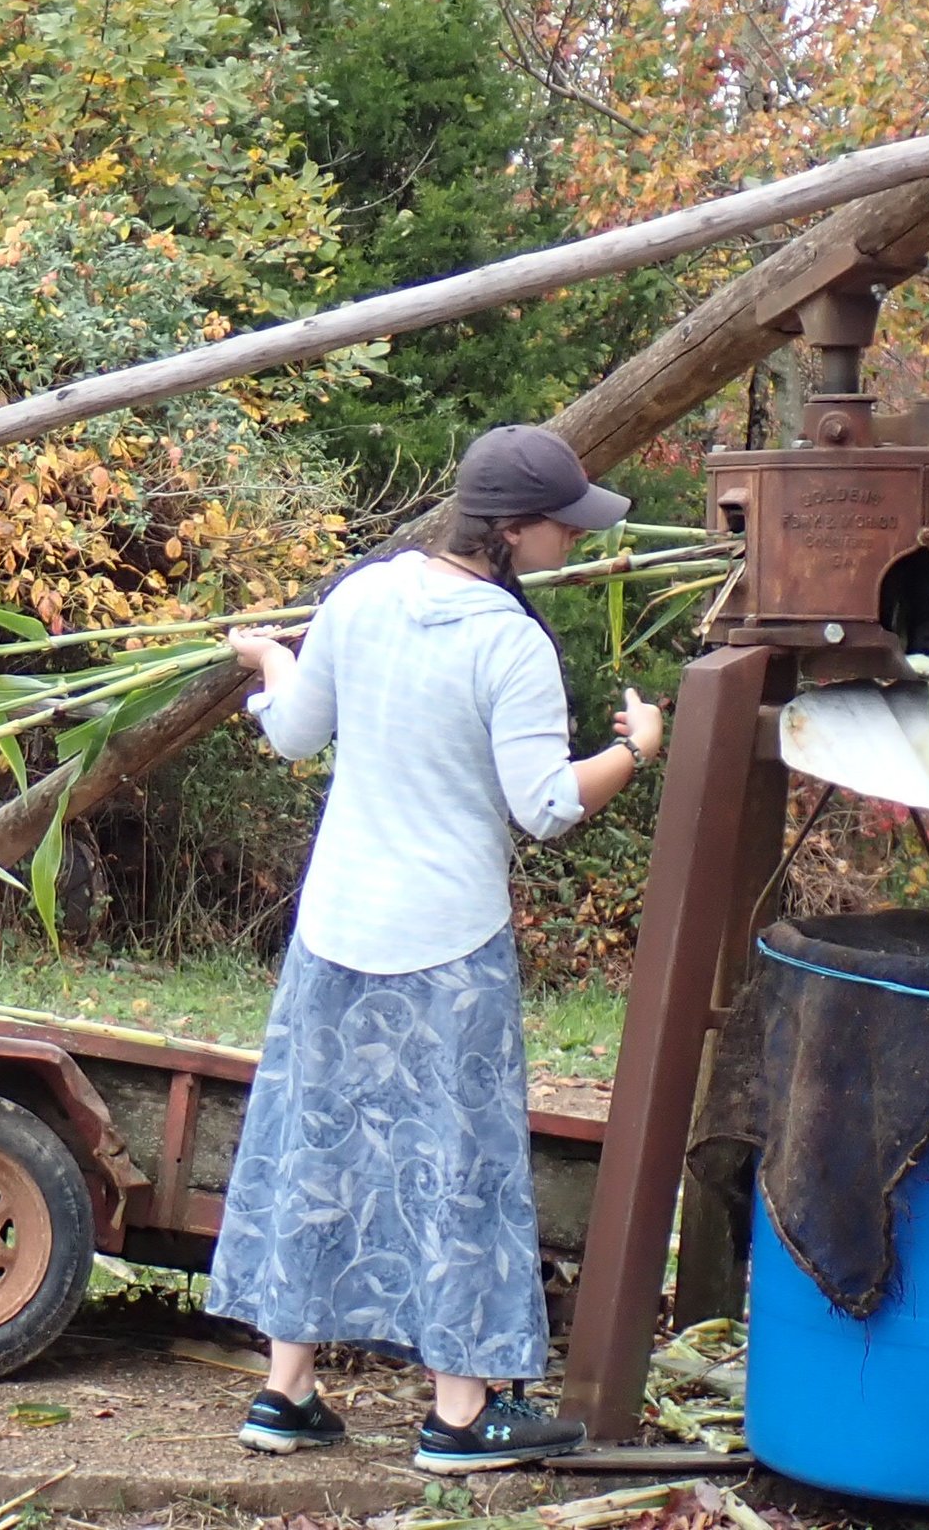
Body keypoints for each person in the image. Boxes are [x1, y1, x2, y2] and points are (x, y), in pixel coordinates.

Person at [209, 424, 665, 1473]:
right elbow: (546, 807)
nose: (574, 542)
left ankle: (285, 1393)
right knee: (455, 1162)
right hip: (447, 944)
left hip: (336, 927)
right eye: (564, 526)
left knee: (316, 1147)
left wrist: (274, 659)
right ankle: (460, 1417)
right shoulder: (510, 644)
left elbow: (292, 733)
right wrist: (634, 749)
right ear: (514, 532)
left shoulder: (361, 596)